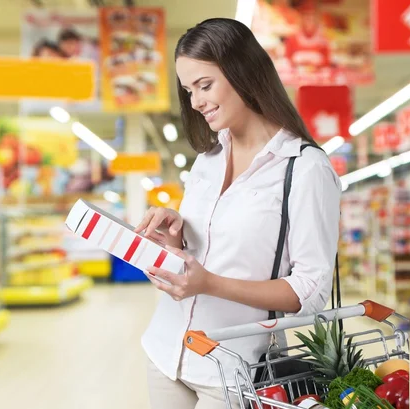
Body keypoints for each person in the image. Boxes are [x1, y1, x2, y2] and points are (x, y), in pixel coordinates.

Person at [135, 18, 341, 409]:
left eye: (205, 85)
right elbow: (205, 251)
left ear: (243, 73)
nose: (195, 102)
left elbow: (310, 292)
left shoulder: (305, 168)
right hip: (165, 351)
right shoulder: (207, 160)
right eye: (188, 90)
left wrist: (210, 283)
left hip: (234, 369)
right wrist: (175, 240)